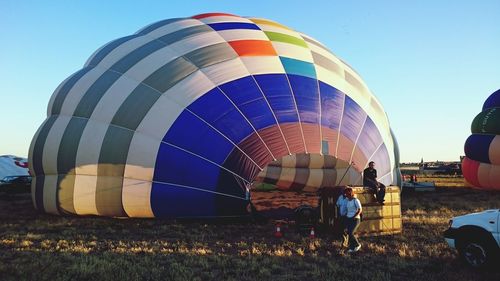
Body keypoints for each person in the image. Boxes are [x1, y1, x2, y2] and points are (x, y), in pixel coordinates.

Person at [344, 187, 362, 253]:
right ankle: (352, 247)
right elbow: (348, 210)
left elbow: (360, 210)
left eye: (346, 193)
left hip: (355, 219)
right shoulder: (347, 201)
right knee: (348, 233)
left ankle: (357, 244)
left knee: (351, 232)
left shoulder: (356, 200)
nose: (345, 195)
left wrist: (354, 216)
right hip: (348, 218)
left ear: (350, 193)